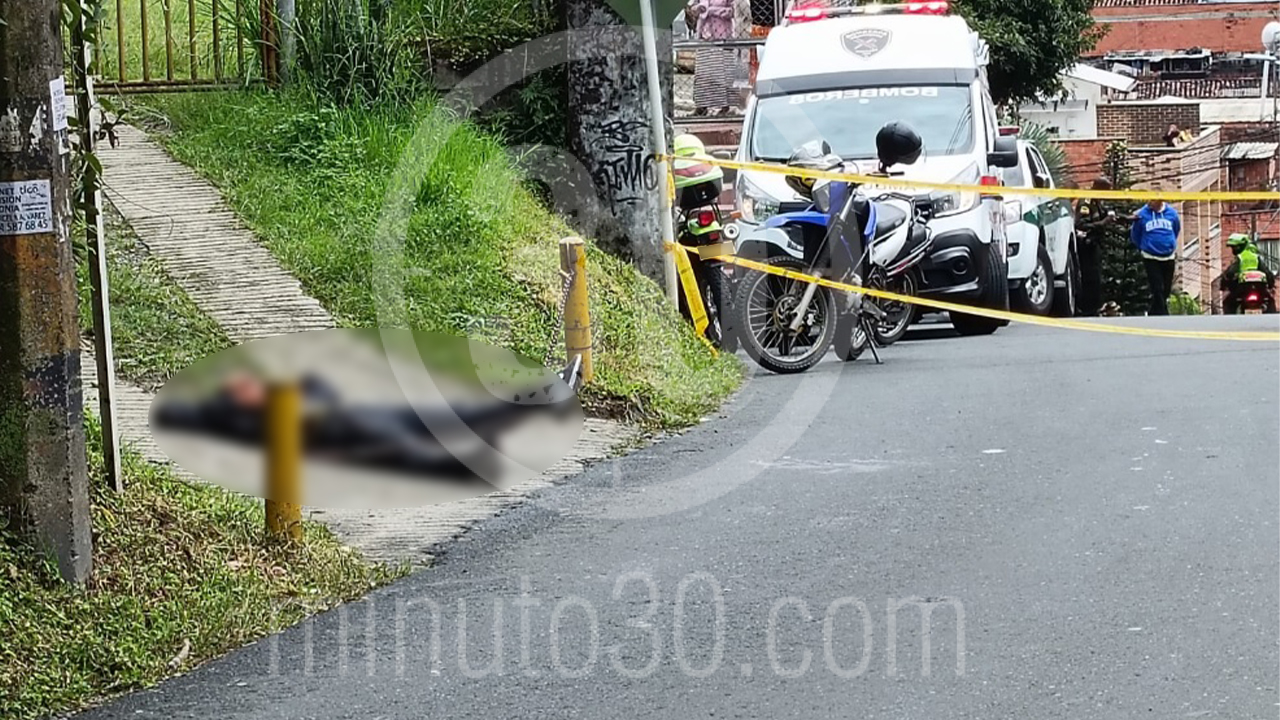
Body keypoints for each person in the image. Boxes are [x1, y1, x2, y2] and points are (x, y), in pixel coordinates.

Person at [1073, 176, 1118, 316]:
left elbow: (1105, 215)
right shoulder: (1086, 202)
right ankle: (1088, 309)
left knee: (1096, 277)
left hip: (1095, 245)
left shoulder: (1097, 201)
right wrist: (1104, 222)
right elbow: (1081, 224)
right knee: (1090, 278)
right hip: (1086, 245)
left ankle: (1095, 307)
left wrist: (1124, 218)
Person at [1130, 198, 1180, 316]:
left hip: (1168, 256)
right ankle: (1163, 314)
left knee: (1166, 289)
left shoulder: (1172, 214)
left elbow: (1176, 229)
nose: (1149, 202)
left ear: (1160, 201)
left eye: (1152, 200)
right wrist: (1144, 246)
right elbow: (1135, 234)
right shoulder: (1142, 215)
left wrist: (1169, 244)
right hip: (1150, 257)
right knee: (1157, 287)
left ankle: (1154, 313)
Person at [688, 0, 737, 116]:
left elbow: (733, 11)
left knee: (721, 71)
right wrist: (697, 9)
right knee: (702, 70)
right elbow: (692, 7)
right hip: (705, 34)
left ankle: (725, 106)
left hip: (722, 34)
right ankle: (701, 106)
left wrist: (712, 11)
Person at [1220, 233, 1277, 313]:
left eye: (1235, 247)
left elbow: (1230, 273)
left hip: (1242, 289)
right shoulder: (1255, 257)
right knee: (1270, 301)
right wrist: (1271, 284)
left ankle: (1230, 320)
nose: (1233, 250)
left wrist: (1223, 284)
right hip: (1260, 288)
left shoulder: (1240, 257)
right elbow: (1267, 272)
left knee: (1228, 302)